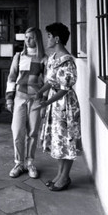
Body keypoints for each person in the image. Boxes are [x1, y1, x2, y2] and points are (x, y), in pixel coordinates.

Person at [32, 22, 82, 191]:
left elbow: (64, 88)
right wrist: (40, 92)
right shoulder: (54, 58)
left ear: (57, 39)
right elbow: (51, 81)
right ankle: (60, 174)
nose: (47, 39)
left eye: (49, 36)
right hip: (55, 103)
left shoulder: (67, 61)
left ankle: (65, 177)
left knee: (67, 141)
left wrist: (47, 102)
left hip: (66, 105)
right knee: (58, 140)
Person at [5, 27, 46, 179]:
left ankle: (29, 163)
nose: (27, 40)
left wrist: (44, 102)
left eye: (31, 37)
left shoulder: (44, 59)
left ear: (38, 39)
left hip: (36, 100)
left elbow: (47, 82)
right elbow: (11, 78)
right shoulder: (18, 57)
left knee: (33, 133)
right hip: (19, 98)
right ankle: (18, 163)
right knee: (17, 131)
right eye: (26, 37)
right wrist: (9, 98)